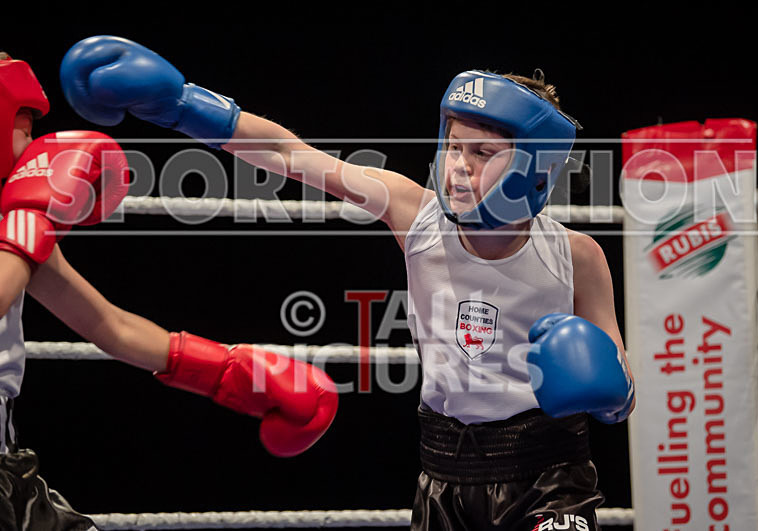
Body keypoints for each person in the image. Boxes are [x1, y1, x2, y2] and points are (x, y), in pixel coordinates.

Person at [60, 36, 635, 531]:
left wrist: (606, 386)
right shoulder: (415, 214)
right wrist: (183, 105)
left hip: (550, 475)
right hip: (444, 473)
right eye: (455, 146)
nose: (459, 166)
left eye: (483, 152)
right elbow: (292, 155)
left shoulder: (576, 256)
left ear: (535, 166)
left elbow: (624, 390)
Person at [0, 53, 338, 531]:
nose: (32, 134)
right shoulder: (20, 227)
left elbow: (107, 324)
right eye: (22, 118)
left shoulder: (12, 225)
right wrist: (30, 221)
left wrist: (225, 371)